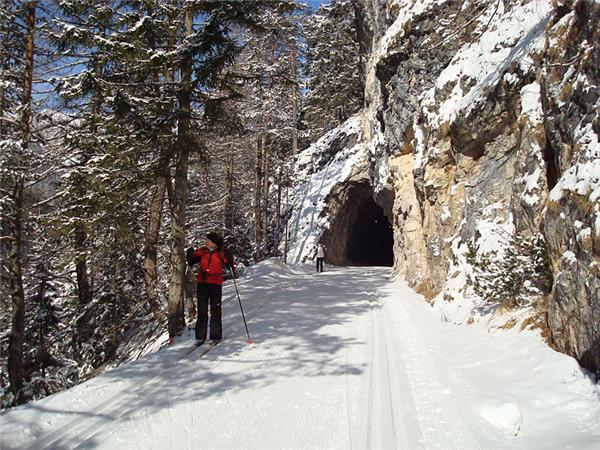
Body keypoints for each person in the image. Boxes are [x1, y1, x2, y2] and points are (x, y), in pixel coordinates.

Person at [186, 232, 234, 346]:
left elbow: (230, 266)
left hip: (215, 285)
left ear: (215, 243)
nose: (206, 242)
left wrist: (229, 259)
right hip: (202, 284)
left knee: (215, 310)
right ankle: (200, 337)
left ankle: (215, 336)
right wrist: (190, 253)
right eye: (206, 240)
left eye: (208, 241)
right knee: (202, 310)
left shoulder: (221, 253)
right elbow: (191, 261)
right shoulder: (203, 251)